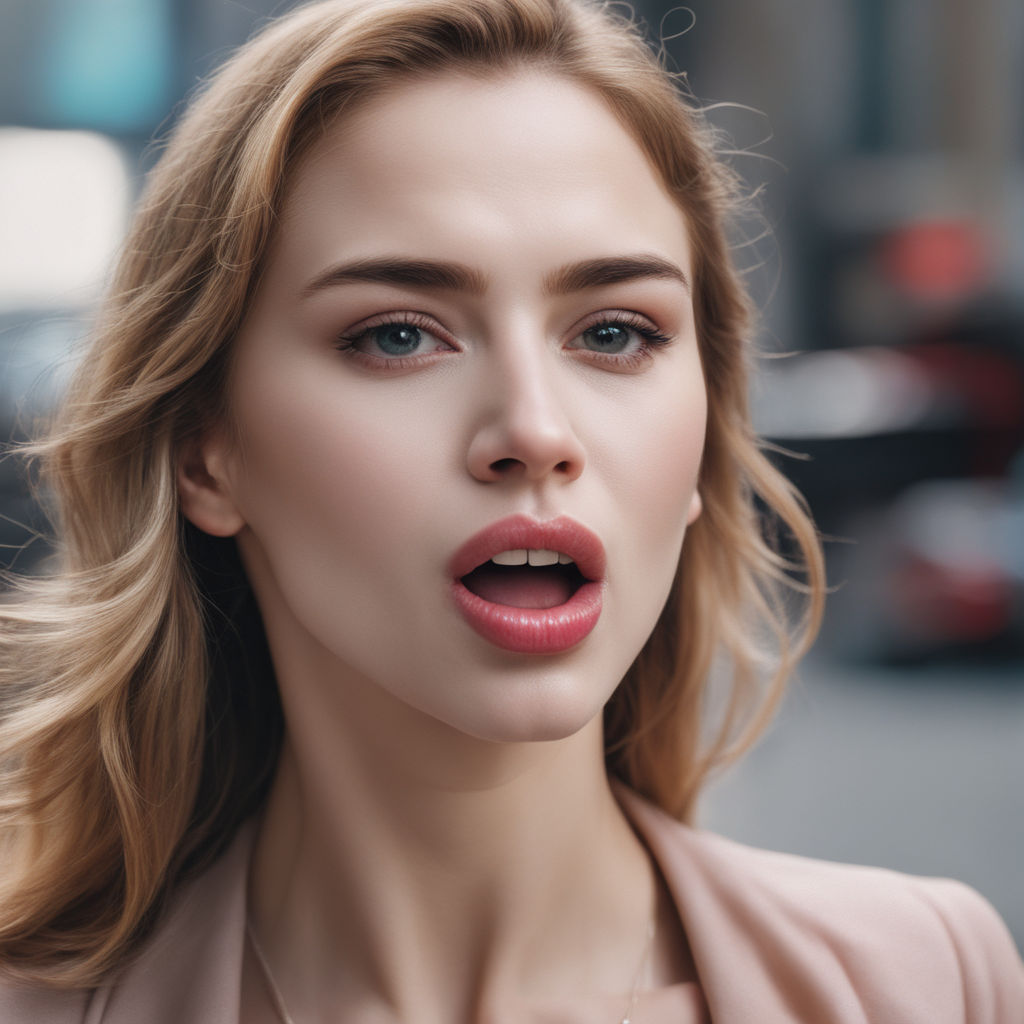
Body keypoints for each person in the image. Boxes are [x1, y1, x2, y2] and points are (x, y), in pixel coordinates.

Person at [1, 0, 1021, 1020]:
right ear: (206, 454)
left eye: (616, 333)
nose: (534, 430)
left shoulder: (927, 983)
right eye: (399, 336)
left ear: (706, 436)